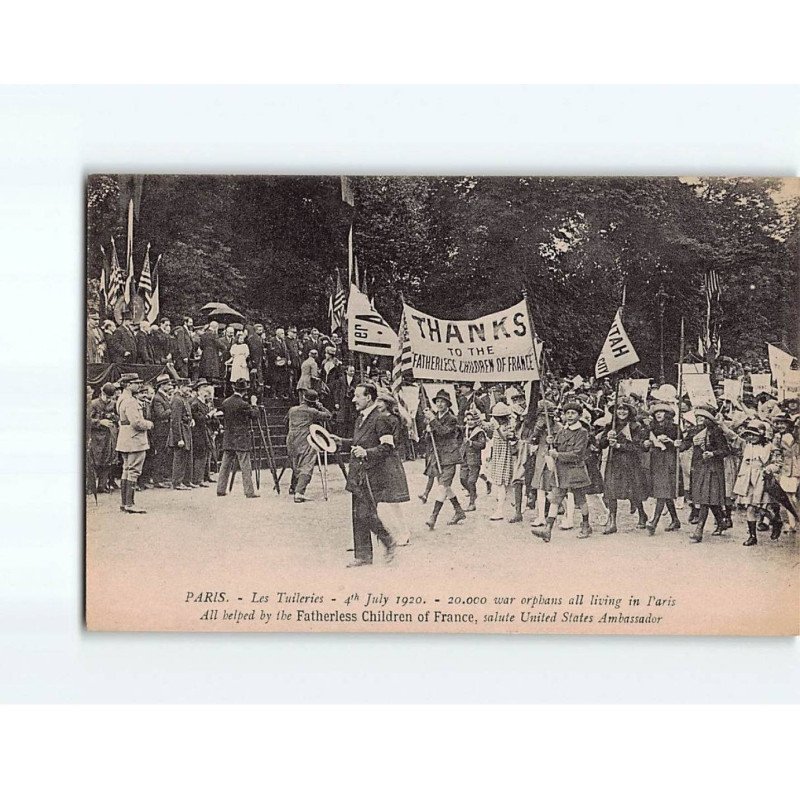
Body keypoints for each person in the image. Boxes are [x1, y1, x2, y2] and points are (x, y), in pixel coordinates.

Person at [330, 383, 397, 567]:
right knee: (358, 514)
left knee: (365, 513)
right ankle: (363, 556)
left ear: (369, 398)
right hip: (358, 474)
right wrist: (341, 442)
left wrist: (367, 453)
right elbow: (358, 443)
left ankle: (388, 540)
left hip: (372, 475)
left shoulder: (380, 419)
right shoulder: (361, 419)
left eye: (358, 396)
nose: (353, 400)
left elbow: (388, 447)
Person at [532, 399, 593, 542]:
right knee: (555, 499)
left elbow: (577, 453)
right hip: (560, 471)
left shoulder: (582, 432)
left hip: (575, 471)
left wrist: (558, 455)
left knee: (580, 500)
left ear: (579, 416)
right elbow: (556, 447)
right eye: (567, 413)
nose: (570, 416)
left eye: (573, 413)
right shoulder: (562, 431)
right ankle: (547, 529)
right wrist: (550, 442)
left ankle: (585, 525)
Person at [598, 400, 649, 534]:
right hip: (613, 462)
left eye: (624, 409)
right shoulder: (611, 426)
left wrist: (619, 446)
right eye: (619, 409)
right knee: (611, 491)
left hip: (630, 463)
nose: (621, 412)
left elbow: (638, 447)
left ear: (629, 412)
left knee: (634, 491)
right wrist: (607, 438)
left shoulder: (635, 427)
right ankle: (612, 522)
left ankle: (642, 515)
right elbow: (601, 444)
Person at [683, 405, 731, 543]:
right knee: (710, 499)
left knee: (706, 499)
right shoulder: (694, 431)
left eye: (702, 416)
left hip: (714, 468)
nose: (698, 418)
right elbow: (684, 446)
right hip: (699, 468)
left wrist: (713, 453)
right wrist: (678, 444)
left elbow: (725, 450)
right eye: (697, 416)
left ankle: (699, 530)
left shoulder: (716, 431)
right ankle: (721, 522)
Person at [421, 389, 466, 529]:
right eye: (438, 401)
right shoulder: (434, 418)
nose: (439, 404)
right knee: (445, 487)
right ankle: (459, 511)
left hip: (450, 457)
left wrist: (433, 421)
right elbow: (429, 439)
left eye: (443, 402)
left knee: (442, 487)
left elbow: (443, 432)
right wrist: (427, 431)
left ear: (448, 404)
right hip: (438, 457)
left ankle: (433, 517)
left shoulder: (452, 419)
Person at [734, 419, 783, 546]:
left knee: (759, 508)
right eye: (748, 434)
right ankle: (752, 536)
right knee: (750, 508)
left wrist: (769, 469)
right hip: (747, 480)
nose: (751, 437)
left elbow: (778, 463)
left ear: (761, 434)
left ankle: (775, 521)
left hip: (761, 480)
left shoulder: (770, 447)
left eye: (754, 434)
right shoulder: (747, 445)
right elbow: (732, 437)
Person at [374, 391, 412, 545]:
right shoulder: (381, 418)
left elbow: (393, 442)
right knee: (375, 500)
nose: (377, 405)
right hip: (380, 460)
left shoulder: (393, 420)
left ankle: (404, 531)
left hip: (388, 460)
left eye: (380, 402)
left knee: (392, 501)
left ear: (387, 403)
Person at [114, 373, 153, 513]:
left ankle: (125, 503)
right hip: (135, 439)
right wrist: (149, 424)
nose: (138, 385)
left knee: (127, 469)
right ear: (128, 385)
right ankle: (130, 504)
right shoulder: (130, 401)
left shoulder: (121, 398)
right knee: (134, 470)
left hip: (125, 438)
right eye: (136, 383)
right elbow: (136, 423)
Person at [285, 389, 332, 502]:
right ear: (313, 401)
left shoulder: (292, 410)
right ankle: (299, 493)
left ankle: (293, 487)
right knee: (307, 464)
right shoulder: (311, 412)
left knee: (296, 464)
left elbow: (285, 421)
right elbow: (328, 415)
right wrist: (320, 406)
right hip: (304, 439)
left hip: (291, 438)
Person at [216, 379, 260, 498]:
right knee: (245, 465)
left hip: (229, 437)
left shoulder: (226, 402)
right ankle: (249, 491)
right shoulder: (243, 404)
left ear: (234, 389)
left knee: (225, 464)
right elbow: (255, 415)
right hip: (241, 438)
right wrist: (254, 403)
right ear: (245, 391)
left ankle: (220, 489)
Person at [645, 403, 681, 534]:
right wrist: (646, 443)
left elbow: (681, 445)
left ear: (668, 415)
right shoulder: (650, 428)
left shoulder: (675, 428)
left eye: (662, 412)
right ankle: (675, 520)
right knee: (664, 491)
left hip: (669, 460)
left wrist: (671, 442)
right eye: (656, 412)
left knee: (662, 491)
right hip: (655, 460)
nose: (658, 414)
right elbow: (644, 444)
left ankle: (654, 522)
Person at [485, 401, 518, 521]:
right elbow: (486, 426)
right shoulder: (495, 425)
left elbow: (505, 437)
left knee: (501, 484)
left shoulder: (509, 426)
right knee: (505, 484)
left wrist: (497, 427)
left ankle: (500, 510)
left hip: (505, 455)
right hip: (498, 454)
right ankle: (517, 506)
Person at [89, 382, 119, 493]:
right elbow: (87, 420)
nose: (108, 400)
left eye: (110, 398)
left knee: (108, 460)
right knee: (96, 460)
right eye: (106, 397)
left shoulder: (114, 404)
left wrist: (113, 417)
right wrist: (100, 421)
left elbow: (119, 417)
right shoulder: (93, 404)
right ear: (102, 392)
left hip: (109, 436)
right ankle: (92, 486)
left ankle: (103, 485)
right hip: (96, 437)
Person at [459, 408, 488, 513]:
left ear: (476, 421)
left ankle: (472, 503)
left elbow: (482, 445)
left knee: (471, 481)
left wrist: (471, 443)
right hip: (464, 458)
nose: (470, 422)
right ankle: (473, 493)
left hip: (474, 460)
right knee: (462, 479)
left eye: (472, 419)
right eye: (468, 419)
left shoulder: (479, 432)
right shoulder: (465, 429)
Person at [168, 378, 194, 490]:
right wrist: (179, 438)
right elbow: (175, 420)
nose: (189, 389)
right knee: (180, 457)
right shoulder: (177, 400)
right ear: (181, 387)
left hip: (186, 429)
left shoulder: (183, 398)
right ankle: (177, 482)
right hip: (181, 431)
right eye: (188, 387)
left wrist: (191, 419)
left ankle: (186, 481)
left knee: (187, 456)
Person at [189, 380, 216, 487]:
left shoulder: (203, 403)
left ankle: (203, 477)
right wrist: (210, 415)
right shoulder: (195, 403)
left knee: (204, 454)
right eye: (206, 393)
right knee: (200, 455)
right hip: (198, 432)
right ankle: (197, 479)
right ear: (199, 392)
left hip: (204, 431)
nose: (208, 395)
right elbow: (200, 418)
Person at [149, 374, 174, 487]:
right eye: (168, 384)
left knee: (163, 454)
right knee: (159, 454)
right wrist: (171, 408)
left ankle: (161, 477)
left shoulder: (163, 397)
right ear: (162, 385)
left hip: (164, 430)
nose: (170, 385)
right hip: (160, 431)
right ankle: (157, 479)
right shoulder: (157, 398)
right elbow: (161, 414)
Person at [269, 327, 292, 399]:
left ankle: (280, 393)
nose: (283, 335)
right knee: (275, 379)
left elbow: (286, 351)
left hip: (283, 363)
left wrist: (288, 359)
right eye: (282, 333)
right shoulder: (272, 340)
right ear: (277, 334)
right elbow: (270, 351)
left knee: (282, 379)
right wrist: (276, 357)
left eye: (283, 333)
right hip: (275, 364)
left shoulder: (283, 341)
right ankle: (273, 394)